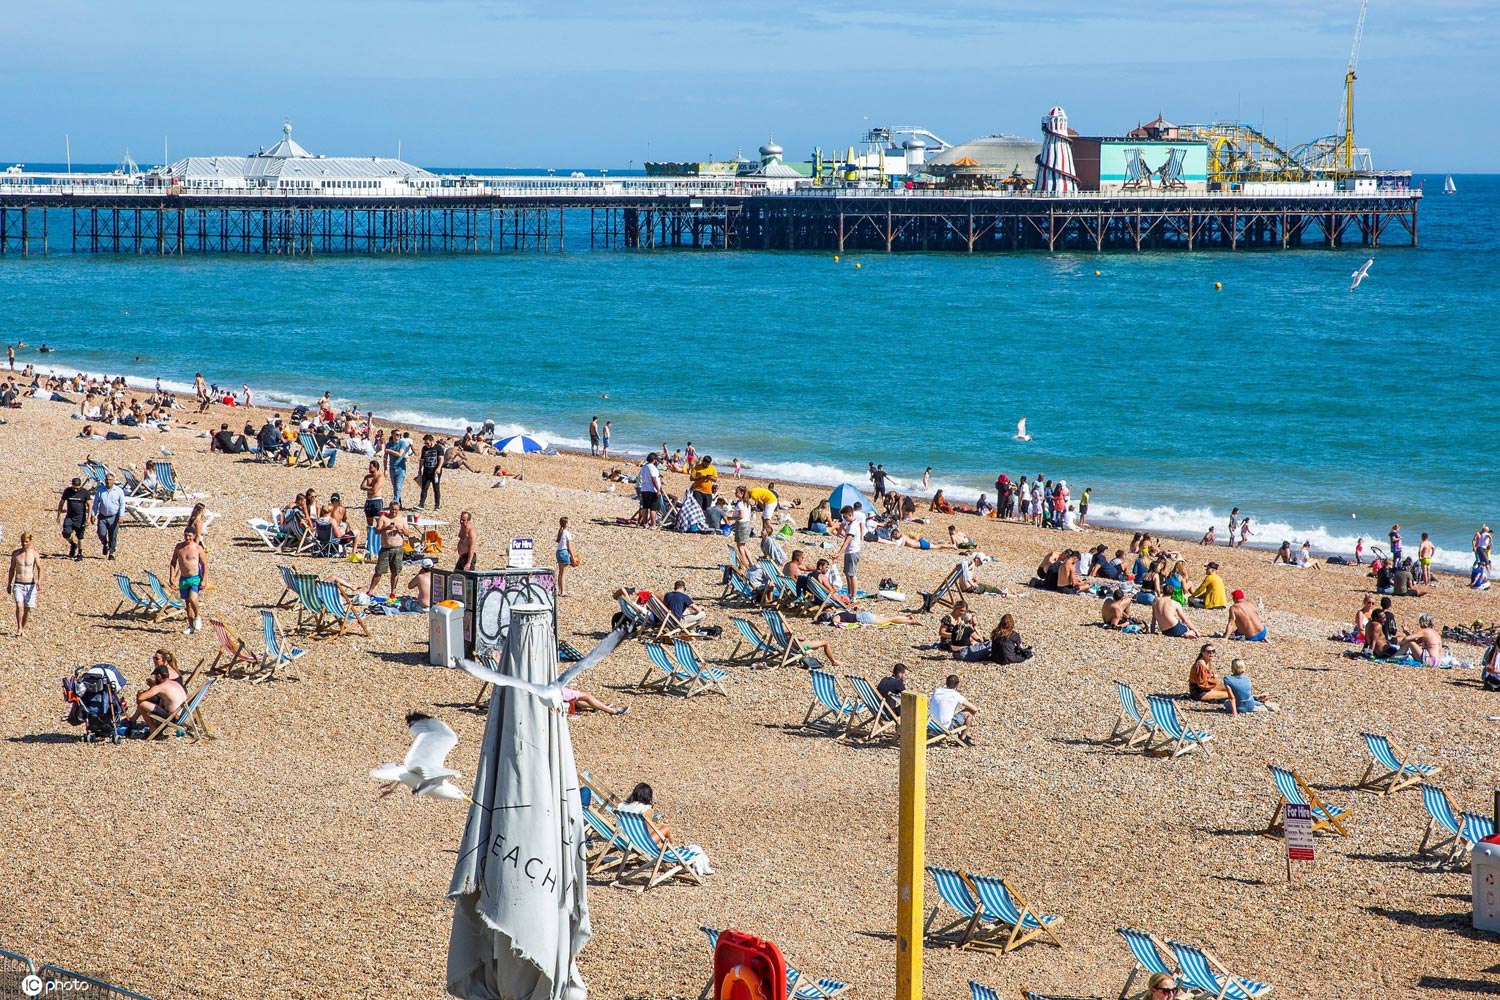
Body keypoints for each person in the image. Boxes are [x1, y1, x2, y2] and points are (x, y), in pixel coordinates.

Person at [129, 650, 188, 733]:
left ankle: (152, 729)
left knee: (143, 703)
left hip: (172, 717)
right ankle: (133, 720)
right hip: (183, 713)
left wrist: (149, 688)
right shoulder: (173, 682)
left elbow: (140, 698)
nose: (154, 660)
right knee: (148, 698)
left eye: (156, 658)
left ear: (159, 676)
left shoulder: (163, 684)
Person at [168, 527, 207, 635]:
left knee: (192, 598)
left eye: (190, 535)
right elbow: (173, 562)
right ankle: (190, 626)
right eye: (186, 535)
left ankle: (197, 617)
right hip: (183, 579)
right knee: (188, 603)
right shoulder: (179, 547)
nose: (187, 537)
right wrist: (172, 576)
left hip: (195, 578)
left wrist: (204, 579)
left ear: (194, 536)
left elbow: (204, 565)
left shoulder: (198, 548)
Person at [366, 505, 410, 598]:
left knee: (395, 571)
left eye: (396, 510)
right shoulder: (383, 518)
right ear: (389, 509)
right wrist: (386, 528)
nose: (394, 511)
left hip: (397, 549)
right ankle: (370, 590)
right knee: (379, 571)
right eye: (392, 509)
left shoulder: (402, 520)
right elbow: (377, 531)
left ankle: (393, 592)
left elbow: (408, 534)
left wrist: (401, 529)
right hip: (385, 548)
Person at [7, 532, 42, 637]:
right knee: (19, 605)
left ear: (30, 541)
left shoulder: (34, 554)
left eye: (26, 542)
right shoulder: (16, 554)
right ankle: (19, 627)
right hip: (18, 583)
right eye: (23, 542)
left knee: (27, 608)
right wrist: (9, 583)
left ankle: (23, 628)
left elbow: (40, 568)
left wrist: (39, 581)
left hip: (30, 584)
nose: (24, 544)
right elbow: (12, 569)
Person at [929, 674, 978, 741]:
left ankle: (960, 734)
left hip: (931, 725)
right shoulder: (955, 695)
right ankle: (963, 737)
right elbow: (975, 709)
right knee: (969, 713)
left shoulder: (937, 691)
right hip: (944, 727)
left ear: (946, 683)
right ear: (957, 685)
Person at [93, 471, 125, 559]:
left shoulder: (119, 491)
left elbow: (122, 504)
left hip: (114, 516)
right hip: (102, 516)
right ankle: (104, 543)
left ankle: (111, 552)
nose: (108, 481)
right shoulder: (100, 490)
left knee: (113, 535)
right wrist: (93, 514)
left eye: (110, 480)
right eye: (107, 480)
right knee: (101, 533)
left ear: (114, 480)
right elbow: (96, 503)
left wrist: (121, 515)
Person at [57, 477, 91, 560]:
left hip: (80, 517)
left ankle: (80, 553)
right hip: (70, 517)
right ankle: (72, 544)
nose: (75, 490)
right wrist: (59, 515)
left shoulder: (84, 492)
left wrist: (89, 518)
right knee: (66, 533)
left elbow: (90, 505)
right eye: (74, 488)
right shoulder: (67, 491)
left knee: (80, 536)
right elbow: (61, 502)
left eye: (77, 488)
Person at [837, 505, 863, 606]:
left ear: (850, 515)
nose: (844, 519)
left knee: (852, 574)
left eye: (845, 517)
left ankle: (854, 596)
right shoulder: (850, 524)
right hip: (849, 551)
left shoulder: (853, 525)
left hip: (853, 552)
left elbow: (847, 540)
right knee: (848, 574)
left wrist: (839, 553)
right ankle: (849, 594)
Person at [417, 434, 444, 509]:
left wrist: (438, 468)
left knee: (436, 489)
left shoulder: (438, 447)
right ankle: (421, 504)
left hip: (435, 472)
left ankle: (437, 506)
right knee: (424, 488)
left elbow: (441, 459)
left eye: (427, 443)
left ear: (432, 441)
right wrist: (419, 469)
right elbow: (422, 459)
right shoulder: (424, 448)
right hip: (426, 471)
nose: (426, 445)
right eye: (425, 443)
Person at [386, 431, 412, 508]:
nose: (398, 436)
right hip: (392, 468)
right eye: (397, 434)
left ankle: (395, 504)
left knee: (398, 487)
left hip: (400, 468)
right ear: (392, 435)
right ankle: (398, 503)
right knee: (395, 488)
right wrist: (385, 469)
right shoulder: (389, 444)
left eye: (400, 435)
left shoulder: (402, 443)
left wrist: (389, 450)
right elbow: (385, 456)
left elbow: (400, 454)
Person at [635, 453, 662, 528]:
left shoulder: (644, 467)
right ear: (653, 460)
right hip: (651, 490)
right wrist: (658, 490)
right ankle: (653, 524)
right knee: (653, 508)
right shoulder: (652, 467)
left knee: (645, 507)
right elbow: (653, 479)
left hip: (644, 489)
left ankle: (645, 523)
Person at [555, 517, 577, 597]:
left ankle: (560, 590)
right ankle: (563, 591)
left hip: (558, 552)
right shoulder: (567, 533)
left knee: (560, 573)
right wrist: (573, 558)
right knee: (563, 574)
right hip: (564, 552)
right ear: (566, 524)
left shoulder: (560, 532)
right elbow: (569, 547)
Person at [361, 460, 385, 527]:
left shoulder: (380, 477)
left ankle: (378, 536)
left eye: (371, 467)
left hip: (377, 500)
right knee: (369, 520)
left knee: (378, 521)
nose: (369, 469)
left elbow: (375, 490)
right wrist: (370, 488)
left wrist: (367, 488)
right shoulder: (367, 477)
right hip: (369, 500)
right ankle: (370, 536)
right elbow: (362, 486)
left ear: (375, 467)